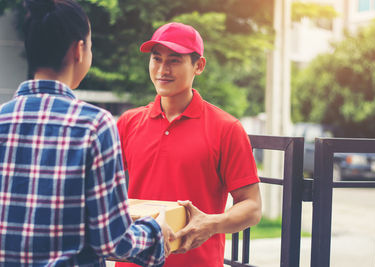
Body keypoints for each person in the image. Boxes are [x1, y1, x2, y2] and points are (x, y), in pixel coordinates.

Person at [0, 0, 174, 266]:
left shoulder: (2, 119)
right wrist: (155, 231)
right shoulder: (94, 125)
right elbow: (113, 241)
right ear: (79, 50)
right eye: (90, 45)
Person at [116, 22, 262, 267]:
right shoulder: (129, 123)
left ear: (199, 65)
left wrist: (211, 224)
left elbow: (252, 206)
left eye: (174, 60)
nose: (163, 69)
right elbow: (103, 191)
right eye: (156, 59)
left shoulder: (226, 128)